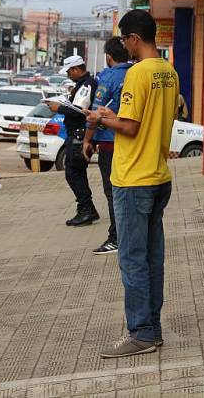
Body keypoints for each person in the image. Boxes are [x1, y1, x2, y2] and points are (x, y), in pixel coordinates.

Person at [86, 10, 179, 358]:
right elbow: (157, 118)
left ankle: (140, 331)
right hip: (158, 174)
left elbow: (131, 126)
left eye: (124, 39)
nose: (124, 45)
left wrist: (101, 119)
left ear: (134, 39)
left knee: (132, 259)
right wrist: (116, 119)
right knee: (153, 256)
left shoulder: (138, 74)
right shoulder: (169, 73)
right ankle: (150, 327)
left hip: (132, 178)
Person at [83, 37, 131, 255]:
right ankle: (131, 236)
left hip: (110, 143)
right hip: (132, 141)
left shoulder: (108, 77)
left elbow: (95, 114)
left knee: (113, 193)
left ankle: (116, 238)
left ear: (108, 57)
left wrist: (87, 140)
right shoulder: (136, 73)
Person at [47, 55, 99, 227]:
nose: (68, 75)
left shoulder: (87, 84)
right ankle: (87, 208)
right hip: (77, 134)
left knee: (73, 173)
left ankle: (86, 209)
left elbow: (79, 111)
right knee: (77, 172)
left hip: (79, 134)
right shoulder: (82, 84)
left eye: (69, 71)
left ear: (77, 69)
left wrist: (59, 108)